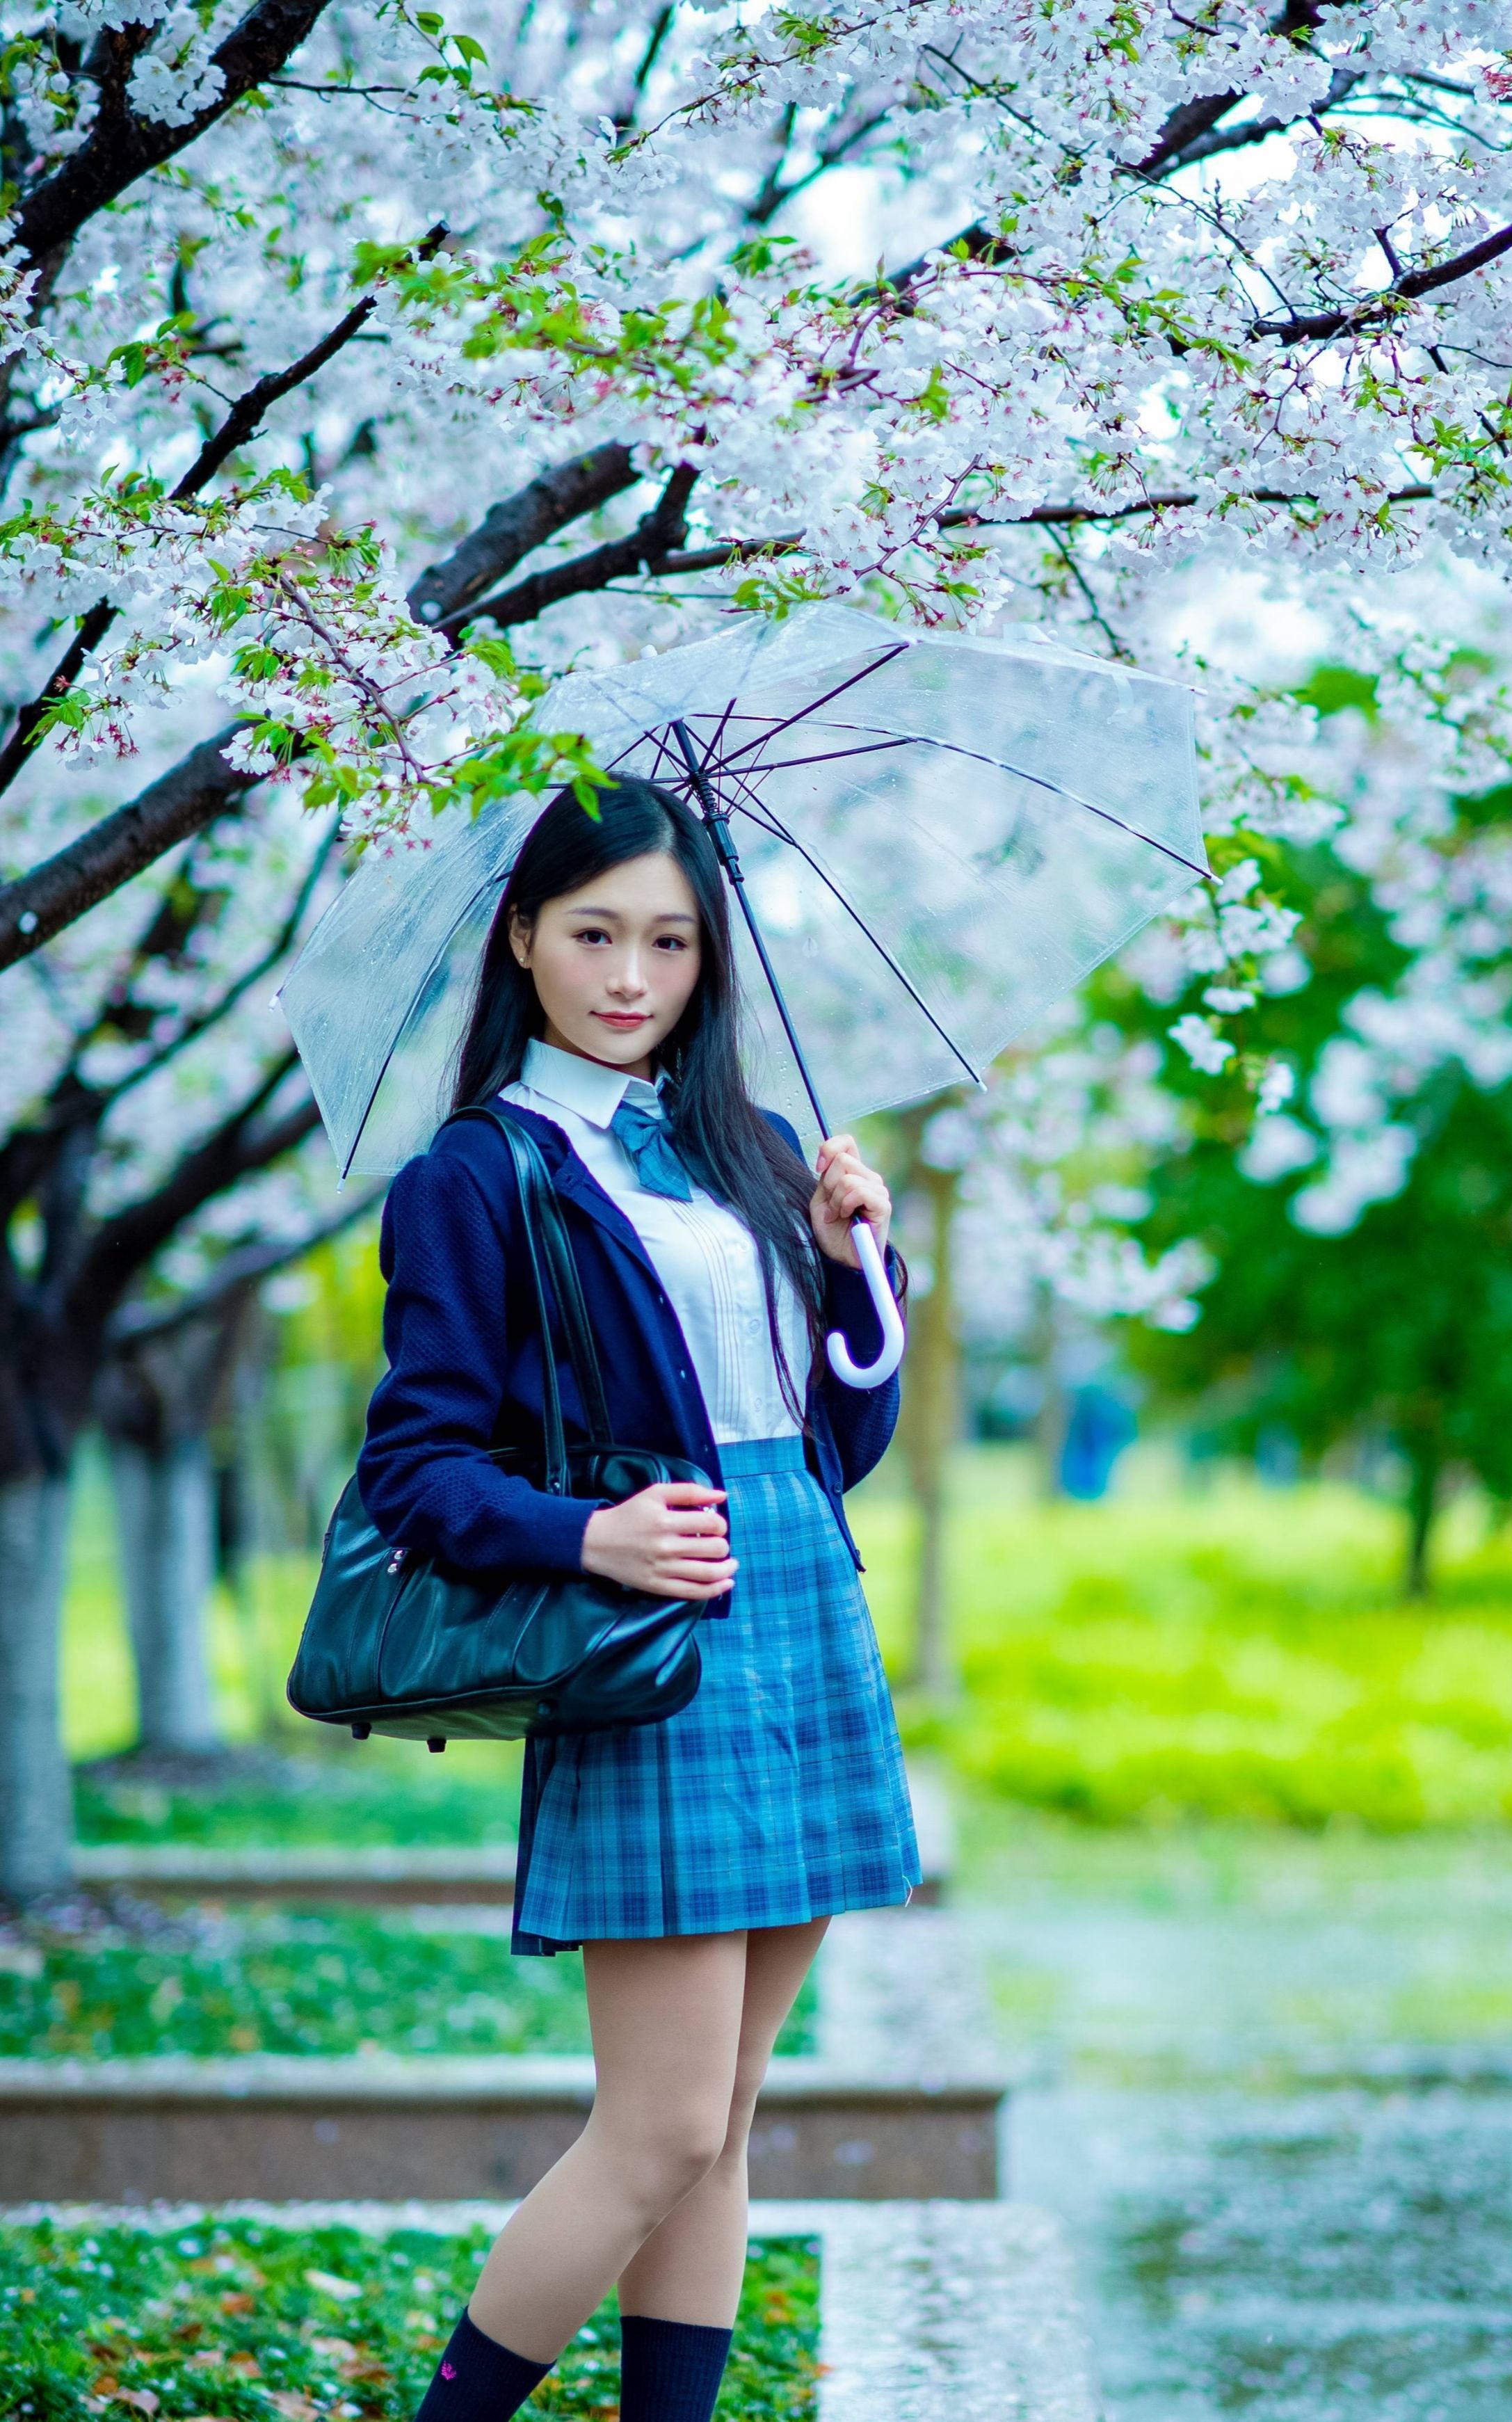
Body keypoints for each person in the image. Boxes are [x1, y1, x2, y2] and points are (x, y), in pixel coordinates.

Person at [357, 774, 919, 2422]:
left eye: (669, 942)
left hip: (799, 1603)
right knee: (662, 2122)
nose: (630, 976)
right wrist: (584, 1537)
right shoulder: (482, 1173)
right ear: (522, 936)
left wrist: (855, 1263)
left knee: (731, 2117)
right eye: (594, 932)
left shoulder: (742, 1153)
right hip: (655, 1639)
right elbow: (416, 1468)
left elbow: (834, 1442)